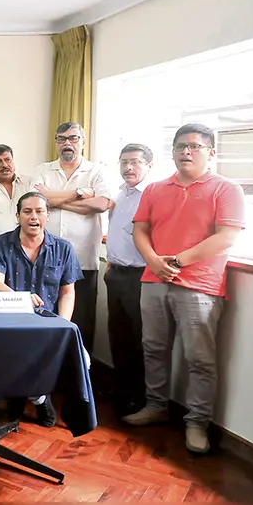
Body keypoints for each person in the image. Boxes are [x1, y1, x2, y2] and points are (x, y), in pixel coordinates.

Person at [122, 123, 245, 455]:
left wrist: (176, 261)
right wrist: (154, 260)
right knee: (153, 349)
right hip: (153, 280)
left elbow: (226, 237)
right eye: (180, 146)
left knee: (199, 359)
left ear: (210, 152)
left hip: (200, 285)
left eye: (194, 146)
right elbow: (140, 231)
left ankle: (197, 424)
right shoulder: (156, 189)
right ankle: (156, 406)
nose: (185, 152)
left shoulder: (227, 188)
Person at [0, 191, 83, 427]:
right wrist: (21, 299)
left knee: (75, 358)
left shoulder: (63, 248)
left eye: (39, 211)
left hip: (47, 321)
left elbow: (67, 291)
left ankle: (38, 397)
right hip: (9, 319)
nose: (33, 216)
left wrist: (63, 324)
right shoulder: (0, 244)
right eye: (27, 211)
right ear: (17, 216)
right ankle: (34, 398)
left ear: (47, 216)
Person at [31, 122, 113, 353]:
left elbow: (101, 204)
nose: (67, 143)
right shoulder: (42, 169)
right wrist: (78, 194)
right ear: (56, 142)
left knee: (81, 324)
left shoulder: (97, 171)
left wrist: (52, 199)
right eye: (62, 138)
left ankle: (78, 378)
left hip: (83, 260)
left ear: (83, 142)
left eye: (74, 138)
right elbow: (37, 201)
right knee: (42, 320)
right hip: (43, 259)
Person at [105, 143, 154, 416]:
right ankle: (122, 389)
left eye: (135, 162)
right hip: (117, 274)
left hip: (140, 276)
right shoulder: (121, 194)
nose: (128, 167)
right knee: (118, 334)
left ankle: (140, 396)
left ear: (148, 165)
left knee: (139, 338)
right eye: (124, 162)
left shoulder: (152, 195)